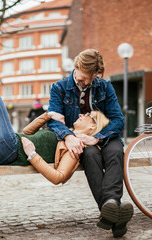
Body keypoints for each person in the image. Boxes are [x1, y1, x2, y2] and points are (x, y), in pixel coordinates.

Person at [47, 49, 133, 238]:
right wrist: (68, 136)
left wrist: (97, 137)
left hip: (105, 136)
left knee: (116, 152)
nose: (81, 81)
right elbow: (52, 119)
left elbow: (118, 120)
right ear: (75, 68)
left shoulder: (105, 87)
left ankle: (109, 207)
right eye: (79, 76)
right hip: (79, 140)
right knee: (91, 155)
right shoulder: (59, 87)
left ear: (95, 75)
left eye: (86, 79)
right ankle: (114, 213)